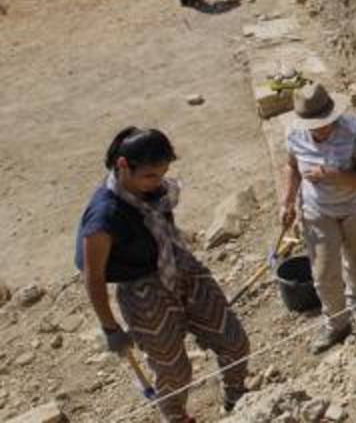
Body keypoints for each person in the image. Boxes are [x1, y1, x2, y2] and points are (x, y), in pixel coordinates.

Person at [76, 128, 249, 421]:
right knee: (173, 371)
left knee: (234, 341)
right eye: (149, 176)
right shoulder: (104, 216)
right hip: (143, 290)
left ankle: (238, 402)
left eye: (162, 174)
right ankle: (177, 417)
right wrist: (110, 328)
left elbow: (161, 215)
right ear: (122, 166)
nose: (157, 183)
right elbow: (93, 277)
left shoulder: (152, 191)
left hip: (181, 266)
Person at [282, 83, 356, 354]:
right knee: (324, 271)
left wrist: (334, 176)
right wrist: (287, 201)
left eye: (324, 123)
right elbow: (292, 166)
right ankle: (336, 323)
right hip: (318, 209)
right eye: (314, 125)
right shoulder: (295, 133)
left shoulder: (355, 131)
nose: (320, 129)